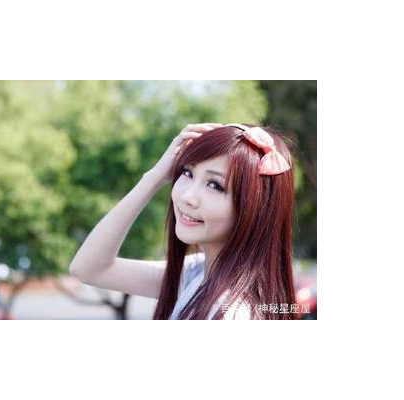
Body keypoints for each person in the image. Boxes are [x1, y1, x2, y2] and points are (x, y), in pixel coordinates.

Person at [69, 122, 297, 320]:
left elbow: (91, 270)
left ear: (255, 208)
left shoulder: (232, 312)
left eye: (215, 185)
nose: (188, 196)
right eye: (187, 173)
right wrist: (154, 176)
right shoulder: (197, 273)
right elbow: (89, 269)